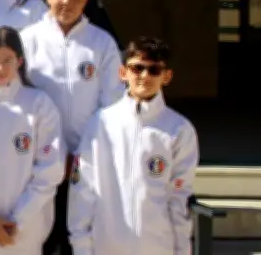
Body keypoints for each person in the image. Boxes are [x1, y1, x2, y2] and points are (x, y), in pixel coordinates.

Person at [19, 0, 124, 255]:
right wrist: (48, 151)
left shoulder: (102, 44)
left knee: (76, 238)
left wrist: (81, 153)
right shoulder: (28, 40)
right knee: (38, 238)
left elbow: (112, 103)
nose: (68, 2)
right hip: (37, 160)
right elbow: (19, 99)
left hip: (85, 159)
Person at [68, 37, 199, 255]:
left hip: (157, 246)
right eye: (137, 68)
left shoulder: (179, 130)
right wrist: (81, 245)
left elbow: (179, 198)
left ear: (167, 76)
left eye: (154, 70)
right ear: (123, 73)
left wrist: (181, 249)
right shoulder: (101, 124)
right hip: (106, 245)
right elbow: (83, 189)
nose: (145, 76)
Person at [0, 26, 64, 255]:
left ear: (19, 61)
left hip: (27, 231)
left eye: (7, 60)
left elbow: (51, 168)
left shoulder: (39, 104)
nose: (0, 68)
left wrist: (20, 218)